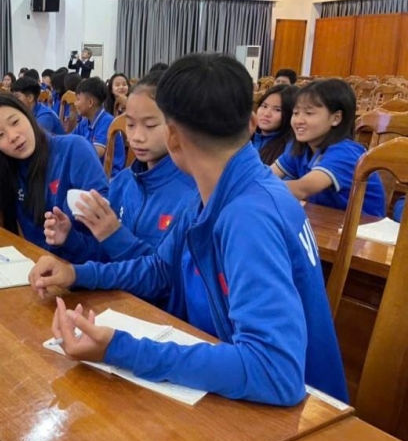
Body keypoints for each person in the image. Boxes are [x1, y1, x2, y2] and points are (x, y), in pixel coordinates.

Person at [28, 53, 348, 407]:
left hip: (303, 415)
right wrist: (77, 272)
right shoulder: (219, 189)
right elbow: (160, 269)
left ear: (173, 137)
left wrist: (119, 348)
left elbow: (275, 372)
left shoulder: (248, 215)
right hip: (245, 385)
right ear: (253, 123)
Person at [45, 71, 196, 264]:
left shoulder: (192, 193)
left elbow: (163, 277)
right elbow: (105, 256)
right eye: (130, 124)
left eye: (150, 126)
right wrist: (69, 239)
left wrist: (113, 235)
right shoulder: (123, 183)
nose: (136, 137)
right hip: (116, 292)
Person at [0, 94, 109, 249]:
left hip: (81, 265)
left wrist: (70, 238)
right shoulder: (10, 164)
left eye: (15, 122)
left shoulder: (74, 149)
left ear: (28, 116)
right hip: (36, 260)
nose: (13, 136)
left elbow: (104, 228)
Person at [272, 79, 385, 217]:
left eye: (309, 113)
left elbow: (302, 188)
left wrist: (255, 185)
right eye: (295, 113)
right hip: (326, 222)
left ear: (336, 118)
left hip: (364, 231)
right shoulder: (300, 148)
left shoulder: (346, 152)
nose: (298, 120)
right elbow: (267, 174)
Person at [73, 77, 125, 175]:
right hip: (93, 172)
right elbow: (71, 139)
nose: (75, 104)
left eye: (78, 99)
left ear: (90, 103)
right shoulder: (85, 123)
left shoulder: (107, 121)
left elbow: (96, 152)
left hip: (109, 177)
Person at [252, 84, 298, 165]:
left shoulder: (291, 147)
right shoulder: (245, 135)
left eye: (277, 110)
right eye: (264, 106)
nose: (266, 114)